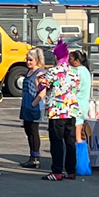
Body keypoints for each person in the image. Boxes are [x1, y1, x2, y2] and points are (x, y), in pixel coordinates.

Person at [35, 40, 81, 181]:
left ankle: (57, 171)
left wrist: (38, 80)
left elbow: (41, 87)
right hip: (71, 110)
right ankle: (71, 170)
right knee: (70, 141)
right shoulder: (75, 72)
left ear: (56, 57)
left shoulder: (53, 72)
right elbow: (77, 89)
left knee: (57, 142)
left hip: (56, 111)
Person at [19, 48, 46, 169]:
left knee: (34, 132)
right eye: (27, 59)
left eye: (31, 60)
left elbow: (42, 92)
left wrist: (33, 104)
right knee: (28, 131)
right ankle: (31, 156)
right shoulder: (28, 72)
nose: (28, 62)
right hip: (26, 106)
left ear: (37, 60)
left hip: (33, 107)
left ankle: (36, 158)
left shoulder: (40, 73)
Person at [69, 50, 92, 144]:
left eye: (70, 59)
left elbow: (73, 88)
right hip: (84, 104)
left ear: (77, 61)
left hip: (76, 105)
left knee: (77, 136)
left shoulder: (76, 71)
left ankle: (79, 157)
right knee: (81, 133)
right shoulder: (86, 71)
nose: (68, 61)